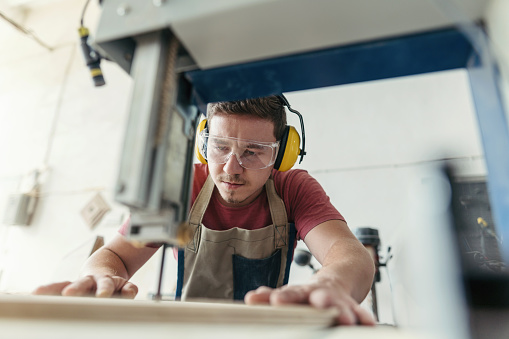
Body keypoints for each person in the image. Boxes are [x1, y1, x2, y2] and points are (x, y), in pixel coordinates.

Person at [33, 95, 376, 325]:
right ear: (203, 143)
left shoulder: (293, 187)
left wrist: (332, 282)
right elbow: (116, 256)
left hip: (265, 329)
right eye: (220, 147)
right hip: (190, 327)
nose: (231, 168)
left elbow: (351, 257)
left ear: (281, 155)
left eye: (253, 152)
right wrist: (100, 276)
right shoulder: (184, 187)